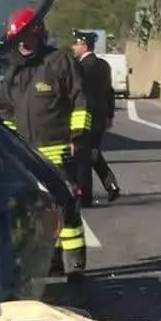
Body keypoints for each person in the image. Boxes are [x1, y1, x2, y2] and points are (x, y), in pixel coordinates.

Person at [0, 7, 91, 281]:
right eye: (19, 39)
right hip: (26, 153)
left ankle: (75, 265)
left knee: (67, 210)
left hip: (59, 149)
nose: (24, 44)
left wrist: (78, 138)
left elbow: (80, 102)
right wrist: (8, 143)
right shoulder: (13, 71)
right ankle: (51, 260)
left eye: (28, 37)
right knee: (36, 212)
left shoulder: (59, 62)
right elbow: (5, 111)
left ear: (39, 35)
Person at [70, 31, 121, 206]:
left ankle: (85, 196)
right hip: (100, 118)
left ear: (84, 45)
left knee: (83, 156)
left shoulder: (79, 67)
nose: (73, 47)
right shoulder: (104, 65)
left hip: (84, 116)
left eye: (76, 44)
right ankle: (111, 185)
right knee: (93, 154)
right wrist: (109, 114)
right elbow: (109, 92)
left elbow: (75, 92)